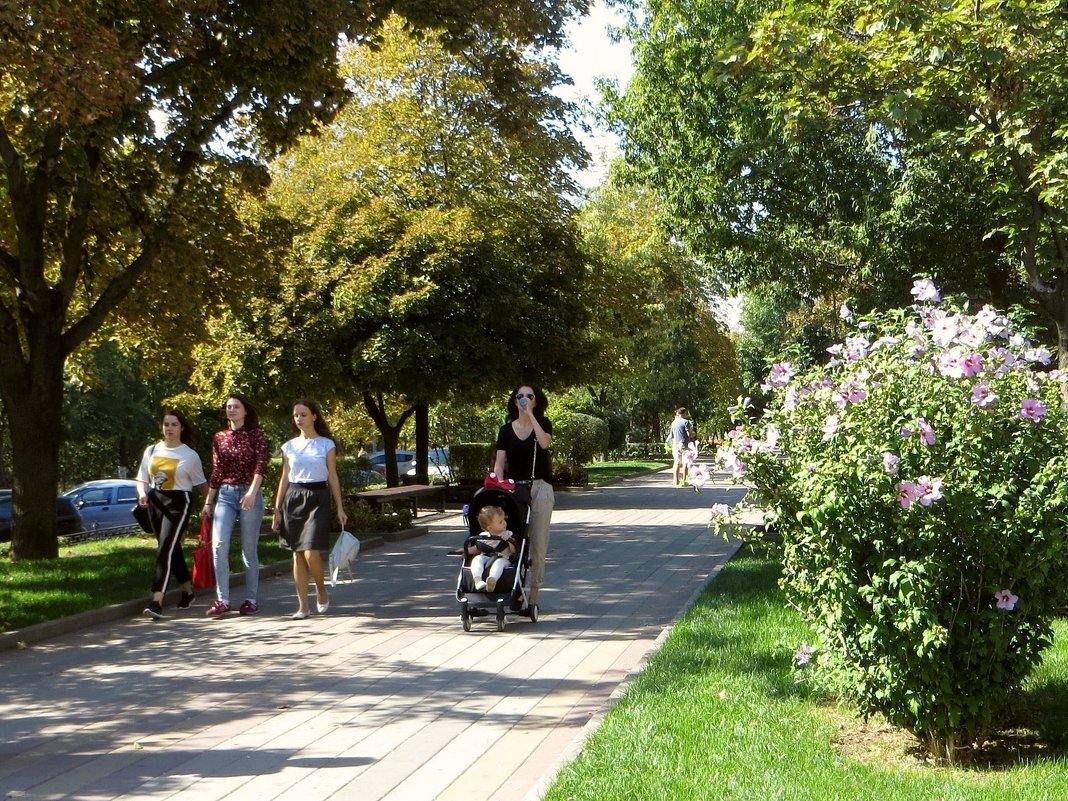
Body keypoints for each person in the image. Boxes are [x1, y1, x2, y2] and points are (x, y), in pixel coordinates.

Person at [272, 399, 348, 620]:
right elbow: (284, 477)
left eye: (303, 414)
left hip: (318, 497)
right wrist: (277, 508)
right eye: (296, 415)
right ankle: (303, 606)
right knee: (297, 555)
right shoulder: (289, 446)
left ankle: (321, 590)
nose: (299, 419)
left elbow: (333, 476)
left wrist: (340, 507)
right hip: (293, 498)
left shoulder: (326, 444)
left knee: (311, 552)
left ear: (314, 416)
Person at [136, 409, 209, 619]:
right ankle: (188, 590)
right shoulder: (152, 450)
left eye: (174, 424)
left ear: (181, 428)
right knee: (170, 548)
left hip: (179, 502)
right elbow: (142, 477)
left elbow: (201, 483)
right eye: (166, 424)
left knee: (164, 549)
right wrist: (142, 494)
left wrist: (212, 503)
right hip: (155, 501)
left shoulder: (189, 455)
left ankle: (156, 601)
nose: (169, 428)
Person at [202, 393, 269, 617]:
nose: (231, 410)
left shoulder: (256, 436)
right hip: (226, 495)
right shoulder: (220, 437)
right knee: (219, 545)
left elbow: (261, 467)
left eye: (236, 407)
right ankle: (222, 599)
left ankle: (251, 599)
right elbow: (217, 470)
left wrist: (252, 492)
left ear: (245, 411)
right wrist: (208, 500)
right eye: (229, 407)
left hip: (249, 494)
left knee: (248, 549)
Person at [492, 383, 553, 615]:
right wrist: (499, 487)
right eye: (520, 396)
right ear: (514, 401)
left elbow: (545, 443)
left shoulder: (543, 423)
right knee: (513, 539)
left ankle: (533, 596)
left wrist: (531, 417)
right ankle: (514, 589)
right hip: (514, 488)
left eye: (530, 396)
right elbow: (499, 463)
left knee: (538, 543)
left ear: (536, 401)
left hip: (540, 488)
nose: (525, 399)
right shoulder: (505, 430)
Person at [467, 505, 517, 592]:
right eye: (501, 522)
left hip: (503, 558)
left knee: (499, 563)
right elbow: (478, 548)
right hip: (487, 557)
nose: (505, 523)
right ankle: (478, 581)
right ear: (490, 528)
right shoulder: (484, 536)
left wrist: (509, 540)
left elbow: (513, 551)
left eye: (504, 520)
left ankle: (492, 580)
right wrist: (466, 551)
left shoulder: (508, 534)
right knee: (477, 559)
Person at [670, 407, 690, 487]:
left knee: (677, 463)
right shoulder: (686, 422)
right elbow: (688, 434)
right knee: (685, 463)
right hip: (685, 445)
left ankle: (676, 481)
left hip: (675, 445)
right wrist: (692, 434)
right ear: (684, 413)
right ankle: (685, 481)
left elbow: (671, 435)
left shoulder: (673, 423)